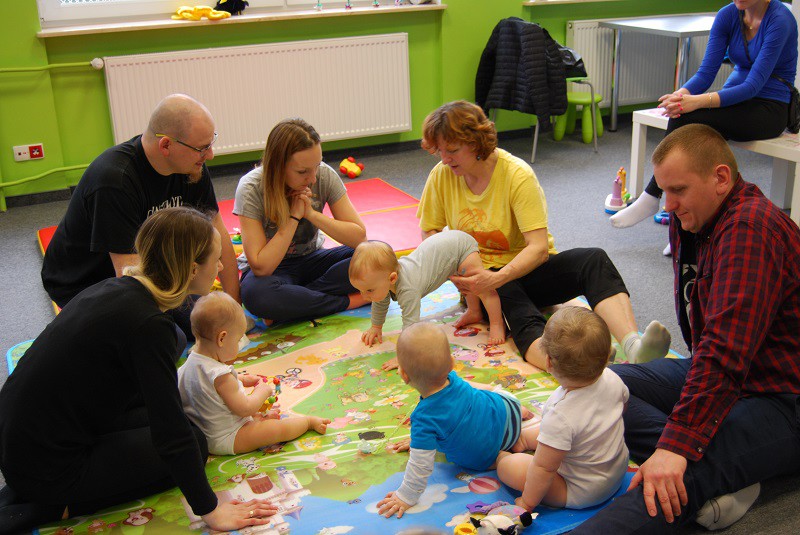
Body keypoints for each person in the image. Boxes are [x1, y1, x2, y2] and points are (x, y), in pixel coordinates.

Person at [573, 124, 800, 534]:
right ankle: (725, 466)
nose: (668, 204)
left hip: (782, 395)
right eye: (664, 190)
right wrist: (682, 436)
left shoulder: (750, 228)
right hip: (731, 377)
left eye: (678, 189)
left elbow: (725, 350)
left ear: (721, 178)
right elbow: (708, 344)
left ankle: (711, 466)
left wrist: (679, 445)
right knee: (599, 387)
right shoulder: (693, 218)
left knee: (672, 477)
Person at [0, 207, 278, 535]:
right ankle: (53, 506)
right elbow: (170, 433)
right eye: (217, 260)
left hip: (20, 440)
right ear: (191, 269)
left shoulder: (119, 289)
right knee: (193, 443)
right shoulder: (149, 326)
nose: (220, 267)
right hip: (46, 466)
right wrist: (210, 509)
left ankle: (43, 490)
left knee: (179, 424)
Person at [417, 100, 671, 369]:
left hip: (526, 270)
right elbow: (430, 230)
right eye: (440, 151)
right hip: (480, 280)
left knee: (594, 259)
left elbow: (537, 248)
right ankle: (567, 365)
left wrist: (497, 276)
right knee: (513, 304)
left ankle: (634, 346)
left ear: (476, 142)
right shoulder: (441, 176)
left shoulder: (516, 175)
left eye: (453, 150)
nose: (445, 159)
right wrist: (456, 272)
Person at [610, 0, 797, 255]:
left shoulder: (781, 19)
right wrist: (680, 96)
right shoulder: (728, 15)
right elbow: (706, 72)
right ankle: (676, 223)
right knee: (683, 115)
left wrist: (696, 102)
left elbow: (754, 85)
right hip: (734, 99)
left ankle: (654, 199)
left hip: (769, 108)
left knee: (688, 116)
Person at [41, 93, 240, 314]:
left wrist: (233, 306)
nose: (210, 155)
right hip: (85, 281)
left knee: (210, 315)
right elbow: (129, 277)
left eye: (210, 143)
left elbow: (217, 234)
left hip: (151, 264)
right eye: (202, 148)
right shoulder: (115, 181)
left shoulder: (191, 167)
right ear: (166, 145)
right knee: (176, 333)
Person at [376, 322, 538, 519]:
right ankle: (520, 431)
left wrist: (406, 497)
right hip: (506, 413)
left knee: (496, 459)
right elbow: (478, 389)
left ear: (403, 375)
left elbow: (420, 466)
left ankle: (507, 455)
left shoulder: (424, 420)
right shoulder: (452, 378)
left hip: (487, 455)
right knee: (490, 397)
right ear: (452, 363)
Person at [496, 307, 630, 512]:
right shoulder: (613, 379)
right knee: (556, 434)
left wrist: (527, 502)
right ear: (605, 359)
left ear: (548, 362)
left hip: (580, 490)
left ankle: (503, 457)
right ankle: (523, 440)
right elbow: (621, 408)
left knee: (510, 468)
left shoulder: (562, 415)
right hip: (616, 472)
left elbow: (543, 468)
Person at [234, 118, 368, 323]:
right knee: (256, 294)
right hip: (272, 273)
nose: (313, 178)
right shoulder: (251, 187)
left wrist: (312, 214)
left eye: (316, 166)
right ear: (278, 167)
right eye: (302, 172)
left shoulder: (323, 175)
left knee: (377, 255)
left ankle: (294, 301)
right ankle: (348, 301)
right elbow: (262, 267)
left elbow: (359, 237)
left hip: (313, 260)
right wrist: (294, 217)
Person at [178, 291, 331, 455]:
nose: (238, 346)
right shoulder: (221, 376)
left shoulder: (185, 368)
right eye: (237, 340)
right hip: (228, 437)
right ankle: (307, 422)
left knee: (259, 420)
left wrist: (241, 379)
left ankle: (256, 422)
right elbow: (245, 409)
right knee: (273, 430)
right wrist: (262, 391)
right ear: (222, 339)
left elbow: (208, 388)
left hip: (205, 434)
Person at [349, 231, 505, 370]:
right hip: (447, 246)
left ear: (392, 278)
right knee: (466, 284)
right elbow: (380, 301)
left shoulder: (408, 289)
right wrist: (376, 326)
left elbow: (411, 327)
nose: (364, 297)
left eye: (369, 291)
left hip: (459, 248)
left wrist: (405, 357)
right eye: (361, 291)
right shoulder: (384, 281)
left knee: (480, 286)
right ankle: (474, 311)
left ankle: (497, 324)